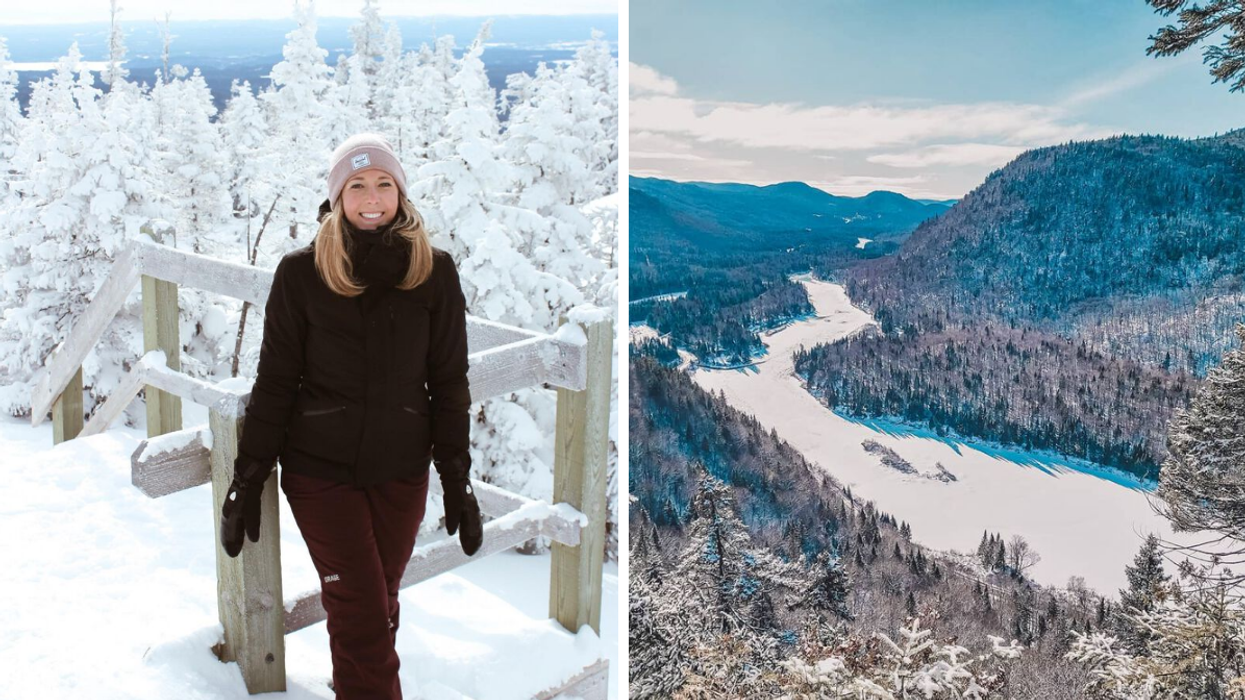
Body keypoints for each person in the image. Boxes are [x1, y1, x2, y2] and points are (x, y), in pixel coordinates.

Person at [217, 133, 483, 699]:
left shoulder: (434, 272)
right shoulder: (301, 274)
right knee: (362, 613)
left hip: (401, 473)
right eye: (357, 185)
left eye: (384, 184)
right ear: (337, 196)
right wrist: (248, 477)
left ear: (401, 193)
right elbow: (276, 383)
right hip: (321, 475)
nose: (372, 198)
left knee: (378, 605)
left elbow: (449, 382)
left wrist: (456, 477)